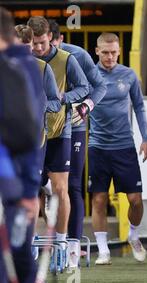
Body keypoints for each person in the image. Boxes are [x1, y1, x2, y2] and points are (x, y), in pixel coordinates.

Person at [27, 16, 89, 269]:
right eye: (34, 43)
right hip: (33, 136)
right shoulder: (20, 63)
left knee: (61, 188)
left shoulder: (67, 59)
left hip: (61, 131)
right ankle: (30, 247)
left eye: (42, 43)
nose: (38, 48)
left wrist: (64, 99)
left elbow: (84, 87)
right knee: (31, 191)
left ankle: (63, 246)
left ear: (51, 39)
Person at [48, 19, 107, 269]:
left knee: (71, 184)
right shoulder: (32, 57)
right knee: (43, 187)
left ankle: (71, 246)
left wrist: (85, 106)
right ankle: (52, 240)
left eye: (50, 43)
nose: (44, 49)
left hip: (73, 127)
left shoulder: (76, 56)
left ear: (60, 40)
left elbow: (99, 86)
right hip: (43, 128)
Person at [90, 32, 147, 265]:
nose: (110, 56)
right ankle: (103, 250)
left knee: (135, 199)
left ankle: (133, 235)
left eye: (114, 52)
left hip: (125, 145)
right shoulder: (89, 75)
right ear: (97, 51)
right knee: (99, 200)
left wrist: (146, 137)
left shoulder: (128, 74)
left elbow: (139, 107)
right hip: (98, 147)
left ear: (119, 50)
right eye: (105, 52)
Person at [0, 7, 45, 283]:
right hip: (14, 185)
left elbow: (27, 132)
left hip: (11, 186)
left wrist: (28, 190)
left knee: (16, 261)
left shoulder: (21, 68)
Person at [14, 24, 61, 262]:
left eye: (26, 47)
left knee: (30, 194)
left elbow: (55, 101)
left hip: (35, 142)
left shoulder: (42, 69)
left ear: (31, 46)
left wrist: (41, 105)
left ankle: (29, 248)